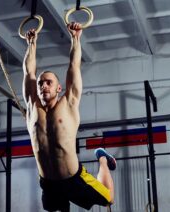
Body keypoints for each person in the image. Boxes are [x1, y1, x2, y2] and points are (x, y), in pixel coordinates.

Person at [22, 22, 117, 211]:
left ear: (59, 88)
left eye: (48, 82)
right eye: (41, 83)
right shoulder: (32, 106)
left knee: (108, 199)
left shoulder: (68, 103)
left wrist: (75, 37)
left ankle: (103, 159)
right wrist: (31, 43)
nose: (43, 86)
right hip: (48, 183)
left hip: (73, 179)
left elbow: (74, 65)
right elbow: (29, 72)